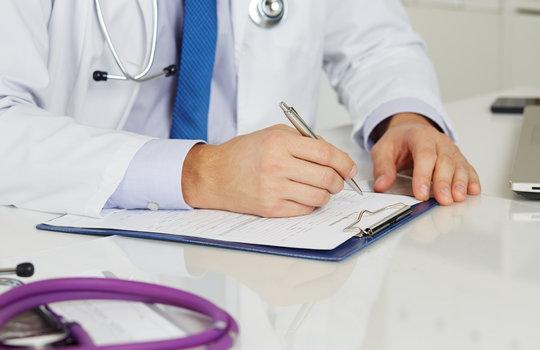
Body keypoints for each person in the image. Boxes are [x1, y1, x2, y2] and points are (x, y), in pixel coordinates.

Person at [0, 0, 480, 218]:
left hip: (270, 248)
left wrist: (404, 118)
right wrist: (195, 172)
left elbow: (376, 42)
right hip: (75, 231)